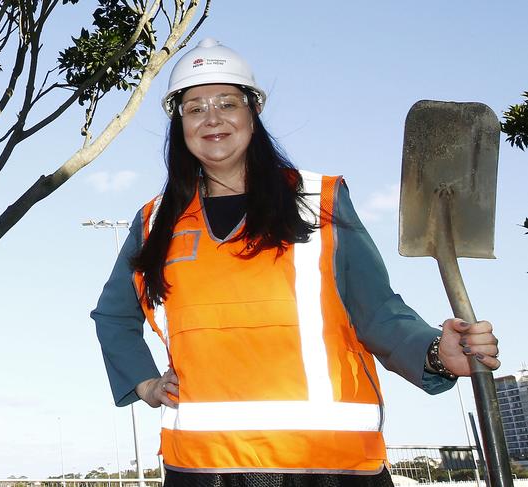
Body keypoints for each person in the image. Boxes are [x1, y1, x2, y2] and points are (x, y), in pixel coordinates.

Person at [91, 38, 500, 487]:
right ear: (179, 123)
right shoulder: (154, 223)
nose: (212, 118)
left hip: (330, 467)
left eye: (227, 103)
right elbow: (113, 315)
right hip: (204, 468)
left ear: (253, 112)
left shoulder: (317, 200)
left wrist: (434, 354)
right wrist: (144, 383)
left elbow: (376, 310)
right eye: (194, 108)